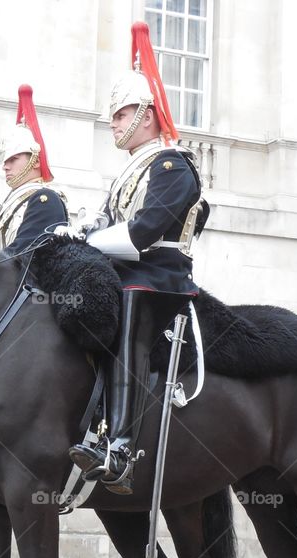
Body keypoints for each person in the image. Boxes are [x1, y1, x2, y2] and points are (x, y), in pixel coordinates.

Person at [67, 21, 208, 495]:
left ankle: (121, 448)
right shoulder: (131, 171)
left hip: (159, 278)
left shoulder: (172, 165)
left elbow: (145, 234)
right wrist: (77, 233)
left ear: (146, 114)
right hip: (127, 269)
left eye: (120, 114)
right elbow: (109, 223)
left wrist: (91, 243)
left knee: (127, 303)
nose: (112, 123)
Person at [0, 84, 68, 256]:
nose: (5, 166)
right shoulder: (11, 203)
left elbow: (24, 254)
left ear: (36, 161)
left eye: (13, 159)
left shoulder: (45, 199)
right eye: (5, 160)